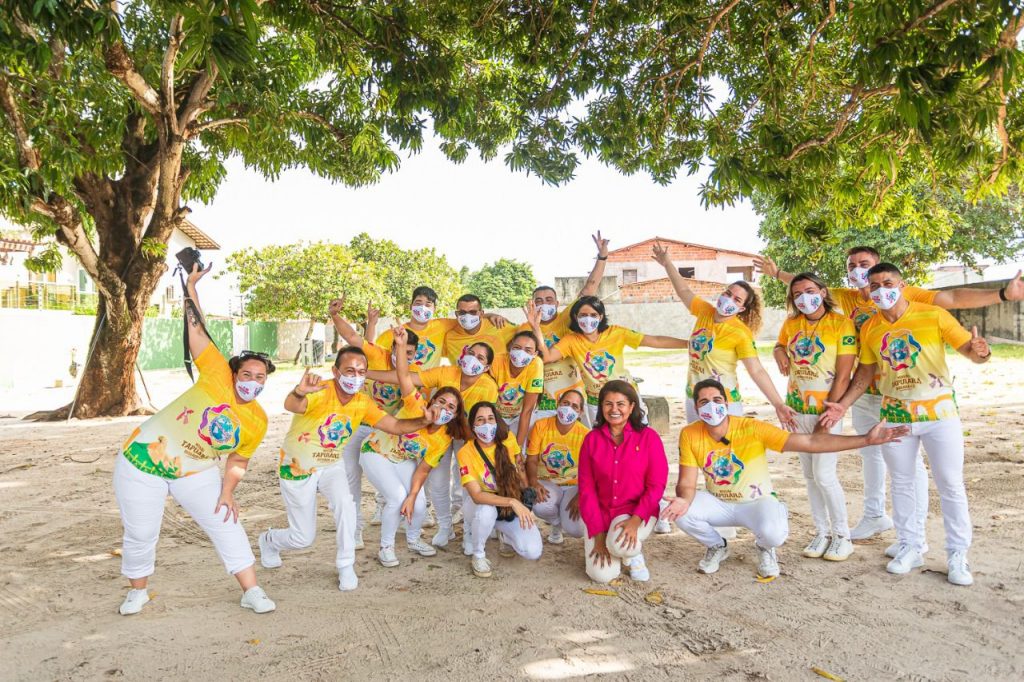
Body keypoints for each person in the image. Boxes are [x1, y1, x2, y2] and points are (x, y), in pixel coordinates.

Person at [756, 249, 1023, 543]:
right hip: (862, 390)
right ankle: (874, 515)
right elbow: (807, 287)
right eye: (852, 266)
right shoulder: (847, 297)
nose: (858, 271)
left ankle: (916, 533)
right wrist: (777, 275)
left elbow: (953, 299)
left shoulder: (904, 294)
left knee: (911, 468)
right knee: (872, 455)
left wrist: (1003, 295)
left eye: (864, 265)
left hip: (902, 393)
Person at [113, 263, 276, 615]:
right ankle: (137, 591)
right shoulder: (216, 372)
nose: (252, 380)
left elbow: (238, 459)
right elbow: (196, 329)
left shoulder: (258, 419)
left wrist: (228, 492)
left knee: (225, 520)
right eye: (246, 373)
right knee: (141, 533)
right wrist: (190, 287)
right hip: (143, 460)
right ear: (234, 373)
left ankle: (252, 591)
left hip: (196, 472)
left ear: (265, 382)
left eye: (259, 377)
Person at [817, 263, 991, 585]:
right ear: (867, 291)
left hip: (939, 415)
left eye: (888, 283)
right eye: (874, 286)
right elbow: (865, 373)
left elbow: (971, 350)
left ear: (902, 284)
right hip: (896, 416)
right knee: (902, 482)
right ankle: (911, 545)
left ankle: (957, 555)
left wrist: (982, 352)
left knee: (950, 485)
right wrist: (842, 406)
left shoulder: (932, 315)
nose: (881, 290)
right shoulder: (869, 327)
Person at [662, 379, 908, 578]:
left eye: (717, 400)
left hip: (755, 502)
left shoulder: (751, 427)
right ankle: (717, 546)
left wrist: (865, 439)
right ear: (696, 408)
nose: (711, 406)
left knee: (774, 534)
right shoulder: (690, 433)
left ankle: (765, 547)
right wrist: (683, 500)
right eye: (704, 402)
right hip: (719, 502)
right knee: (678, 510)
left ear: (727, 403)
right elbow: (687, 482)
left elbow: (811, 442)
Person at [258, 346, 441, 591]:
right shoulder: (320, 389)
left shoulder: (362, 403)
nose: (355, 377)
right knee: (303, 537)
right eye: (349, 371)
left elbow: (395, 426)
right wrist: (299, 391)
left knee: (347, 506)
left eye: (361, 372)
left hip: (331, 464)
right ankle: (269, 540)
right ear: (336, 371)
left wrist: (423, 421)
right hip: (298, 467)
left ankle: (346, 565)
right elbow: (293, 405)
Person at [367, 341, 499, 549]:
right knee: (437, 483)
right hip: (440, 431)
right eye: (471, 353)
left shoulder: (488, 387)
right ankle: (445, 527)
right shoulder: (447, 372)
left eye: (480, 358)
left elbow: (483, 418)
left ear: (487, 367)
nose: (473, 358)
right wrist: (365, 373)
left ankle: (468, 532)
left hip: (467, 434)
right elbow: (406, 377)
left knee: (467, 482)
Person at [652, 242, 798, 429]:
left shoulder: (740, 332)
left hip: (724, 401)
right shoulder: (705, 312)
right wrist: (667, 263)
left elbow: (757, 371)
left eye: (736, 299)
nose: (728, 299)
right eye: (728, 293)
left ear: (742, 308)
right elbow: (683, 291)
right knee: (697, 451)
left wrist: (778, 404)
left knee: (723, 454)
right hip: (694, 397)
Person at [360, 327, 471, 567]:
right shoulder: (415, 404)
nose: (444, 408)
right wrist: (400, 346)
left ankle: (413, 539)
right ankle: (386, 547)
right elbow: (403, 376)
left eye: (451, 407)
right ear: (431, 401)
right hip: (376, 451)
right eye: (441, 401)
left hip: (401, 460)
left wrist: (413, 495)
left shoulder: (444, 437)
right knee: (396, 497)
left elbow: (423, 470)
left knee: (418, 502)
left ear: (456, 415)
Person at [772, 273, 857, 561]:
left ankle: (842, 536)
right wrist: (779, 352)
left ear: (822, 292)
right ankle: (821, 532)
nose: (803, 298)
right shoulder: (791, 323)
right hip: (797, 410)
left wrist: (832, 410)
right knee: (809, 476)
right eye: (796, 294)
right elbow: (780, 345)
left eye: (809, 291)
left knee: (824, 475)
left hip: (825, 412)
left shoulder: (841, 324)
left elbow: (844, 373)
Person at [329, 297, 421, 549]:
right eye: (398, 348)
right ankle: (355, 529)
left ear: (415, 354)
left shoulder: (415, 372)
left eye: (409, 352)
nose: (402, 354)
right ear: (391, 346)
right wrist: (335, 316)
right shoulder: (376, 354)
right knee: (351, 478)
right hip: (358, 426)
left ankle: (394, 513)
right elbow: (352, 338)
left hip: (388, 431)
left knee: (394, 479)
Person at [528, 296, 688, 426]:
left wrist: (688, 344)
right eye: (583, 315)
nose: (588, 320)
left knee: (635, 437)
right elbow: (547, 357)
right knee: (601, 446)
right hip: (595, 402)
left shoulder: (616, 332)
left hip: (625, 396)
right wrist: (536, 328)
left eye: (593, 315)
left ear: (601, 316)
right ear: (576, 318)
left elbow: (656, 340)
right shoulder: (572, 340)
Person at [578, 380, 669, 584]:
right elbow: (587, 490)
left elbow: (656, 485)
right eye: (608, 404)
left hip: (635, 510)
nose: (614, 409)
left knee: (621, 545)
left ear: (632, 407)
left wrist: (635, 521)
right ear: (601, 407)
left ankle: (632, 555)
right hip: (601, 512)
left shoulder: (649, 438)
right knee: (601, 576)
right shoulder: (591, 440)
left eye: (621, 404)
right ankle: (615, 546)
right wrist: (598, 536)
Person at [517, 231, 610, 419]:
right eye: (539, 300)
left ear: (557, 304)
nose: (544, 304)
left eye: (549, 300)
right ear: (533, 304)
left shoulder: (566, 318)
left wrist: (602, 257)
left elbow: (590, 287)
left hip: (573, 395)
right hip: (542, 399)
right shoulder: (523, 329)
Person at [456, 401, 543, 577]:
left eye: (490, 418)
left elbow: (521, 472)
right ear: (472, 426)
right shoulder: (465, 452)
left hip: (507, 504)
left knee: (532, 551)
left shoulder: (508, 440)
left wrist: (525, 502)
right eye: (480, 420)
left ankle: (506, 536)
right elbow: (477, 496)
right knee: (486, 511)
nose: (486, 424)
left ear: (497, 421)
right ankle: (478, 554)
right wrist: (512, 502)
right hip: (482, 505)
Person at [525, 389, 589, 543]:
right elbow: (531, 459)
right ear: (558, 403)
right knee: (540, 505)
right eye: (565, 403)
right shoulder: (541, 426)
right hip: (547, 483)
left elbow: (590, 470)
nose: (568, 408)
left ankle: (563, 518)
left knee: (577, 529)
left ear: (580, 413)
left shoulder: (586, 435)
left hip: (573, 485)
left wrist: (581, 495)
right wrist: (534, 482)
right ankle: (556, 524)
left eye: (574, 406)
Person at [490, 330, 545, 448]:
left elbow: (527, 410)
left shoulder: (536, 364)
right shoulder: (496, 361)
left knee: (517, 451)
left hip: (520, 415)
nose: (521, 353)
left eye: (528, 350)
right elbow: (487, 400)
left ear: (535, 354)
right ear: (510, 348)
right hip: (496, 414)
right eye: (517, 347)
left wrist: (518, 448)